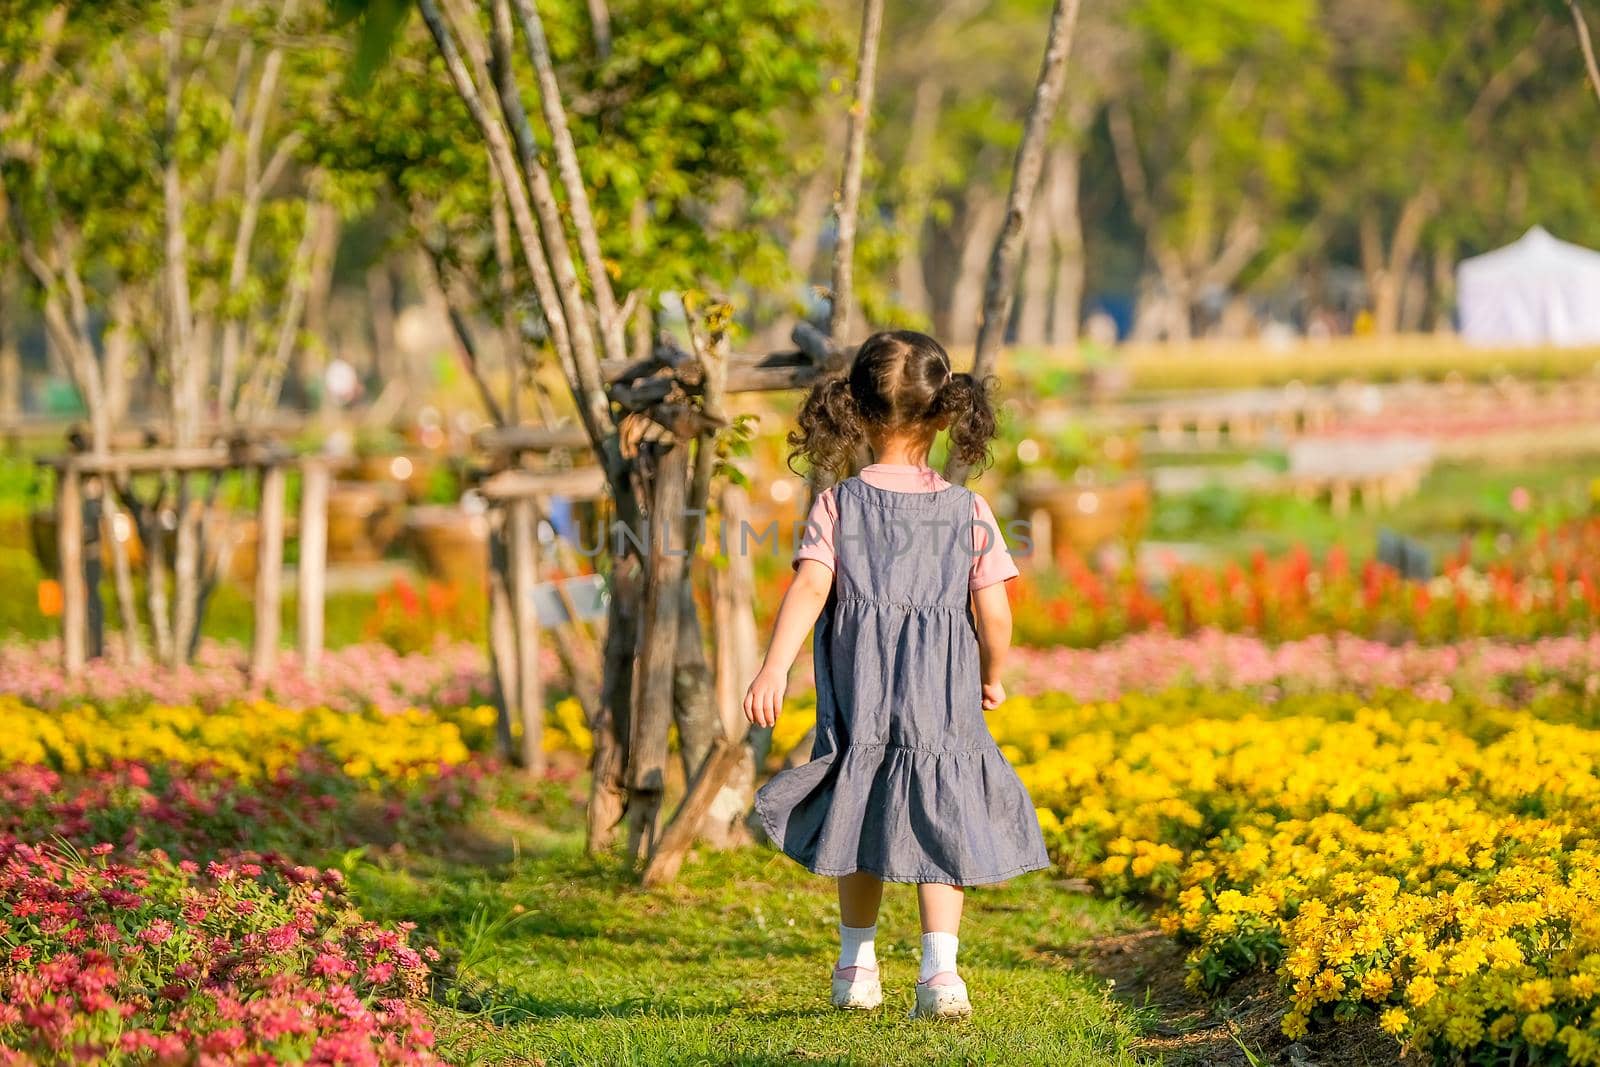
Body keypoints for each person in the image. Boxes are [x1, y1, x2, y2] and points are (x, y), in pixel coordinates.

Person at [745, 330, 1050, 1021]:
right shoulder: (967, 510)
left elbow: (809, 589)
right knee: (941, 812)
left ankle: (857, 963)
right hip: (942, 694)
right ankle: (941, 973)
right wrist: (990, 671)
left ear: (852, 408)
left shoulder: (839, 504)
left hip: (864, 693)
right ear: (946, 413)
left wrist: (772, 666)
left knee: (859, 805)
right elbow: (994, 610)